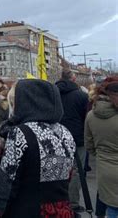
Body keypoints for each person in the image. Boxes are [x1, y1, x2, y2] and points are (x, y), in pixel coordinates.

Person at [0, 79, 76, 217]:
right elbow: (68, 174)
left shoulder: (21, 133)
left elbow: (8, 179)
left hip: (28, 209)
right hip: (61, 209)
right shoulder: (64, 131)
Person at [55, 69, 89, 213]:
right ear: (73, 80)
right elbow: (85, 118)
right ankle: (73, 202)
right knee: (76, 170)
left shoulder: (53, 93)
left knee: (58, 168)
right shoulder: (81, 95)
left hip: (56, 136)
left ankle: (58, 200)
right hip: (77, 137)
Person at [85, 77, 118, 218]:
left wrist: (101, 155)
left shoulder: (91, 116)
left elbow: (89, 144)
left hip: (104, 168)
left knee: (112, 208)